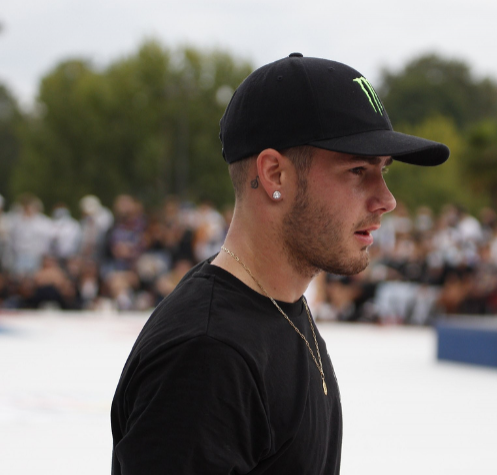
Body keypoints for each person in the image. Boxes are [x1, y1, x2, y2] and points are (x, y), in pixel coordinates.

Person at [111, 53, 449, 474]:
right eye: (358, 170)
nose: (387, 199)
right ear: (274, 175)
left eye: (384, 170)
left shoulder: (278, 304)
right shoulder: (207, 356)